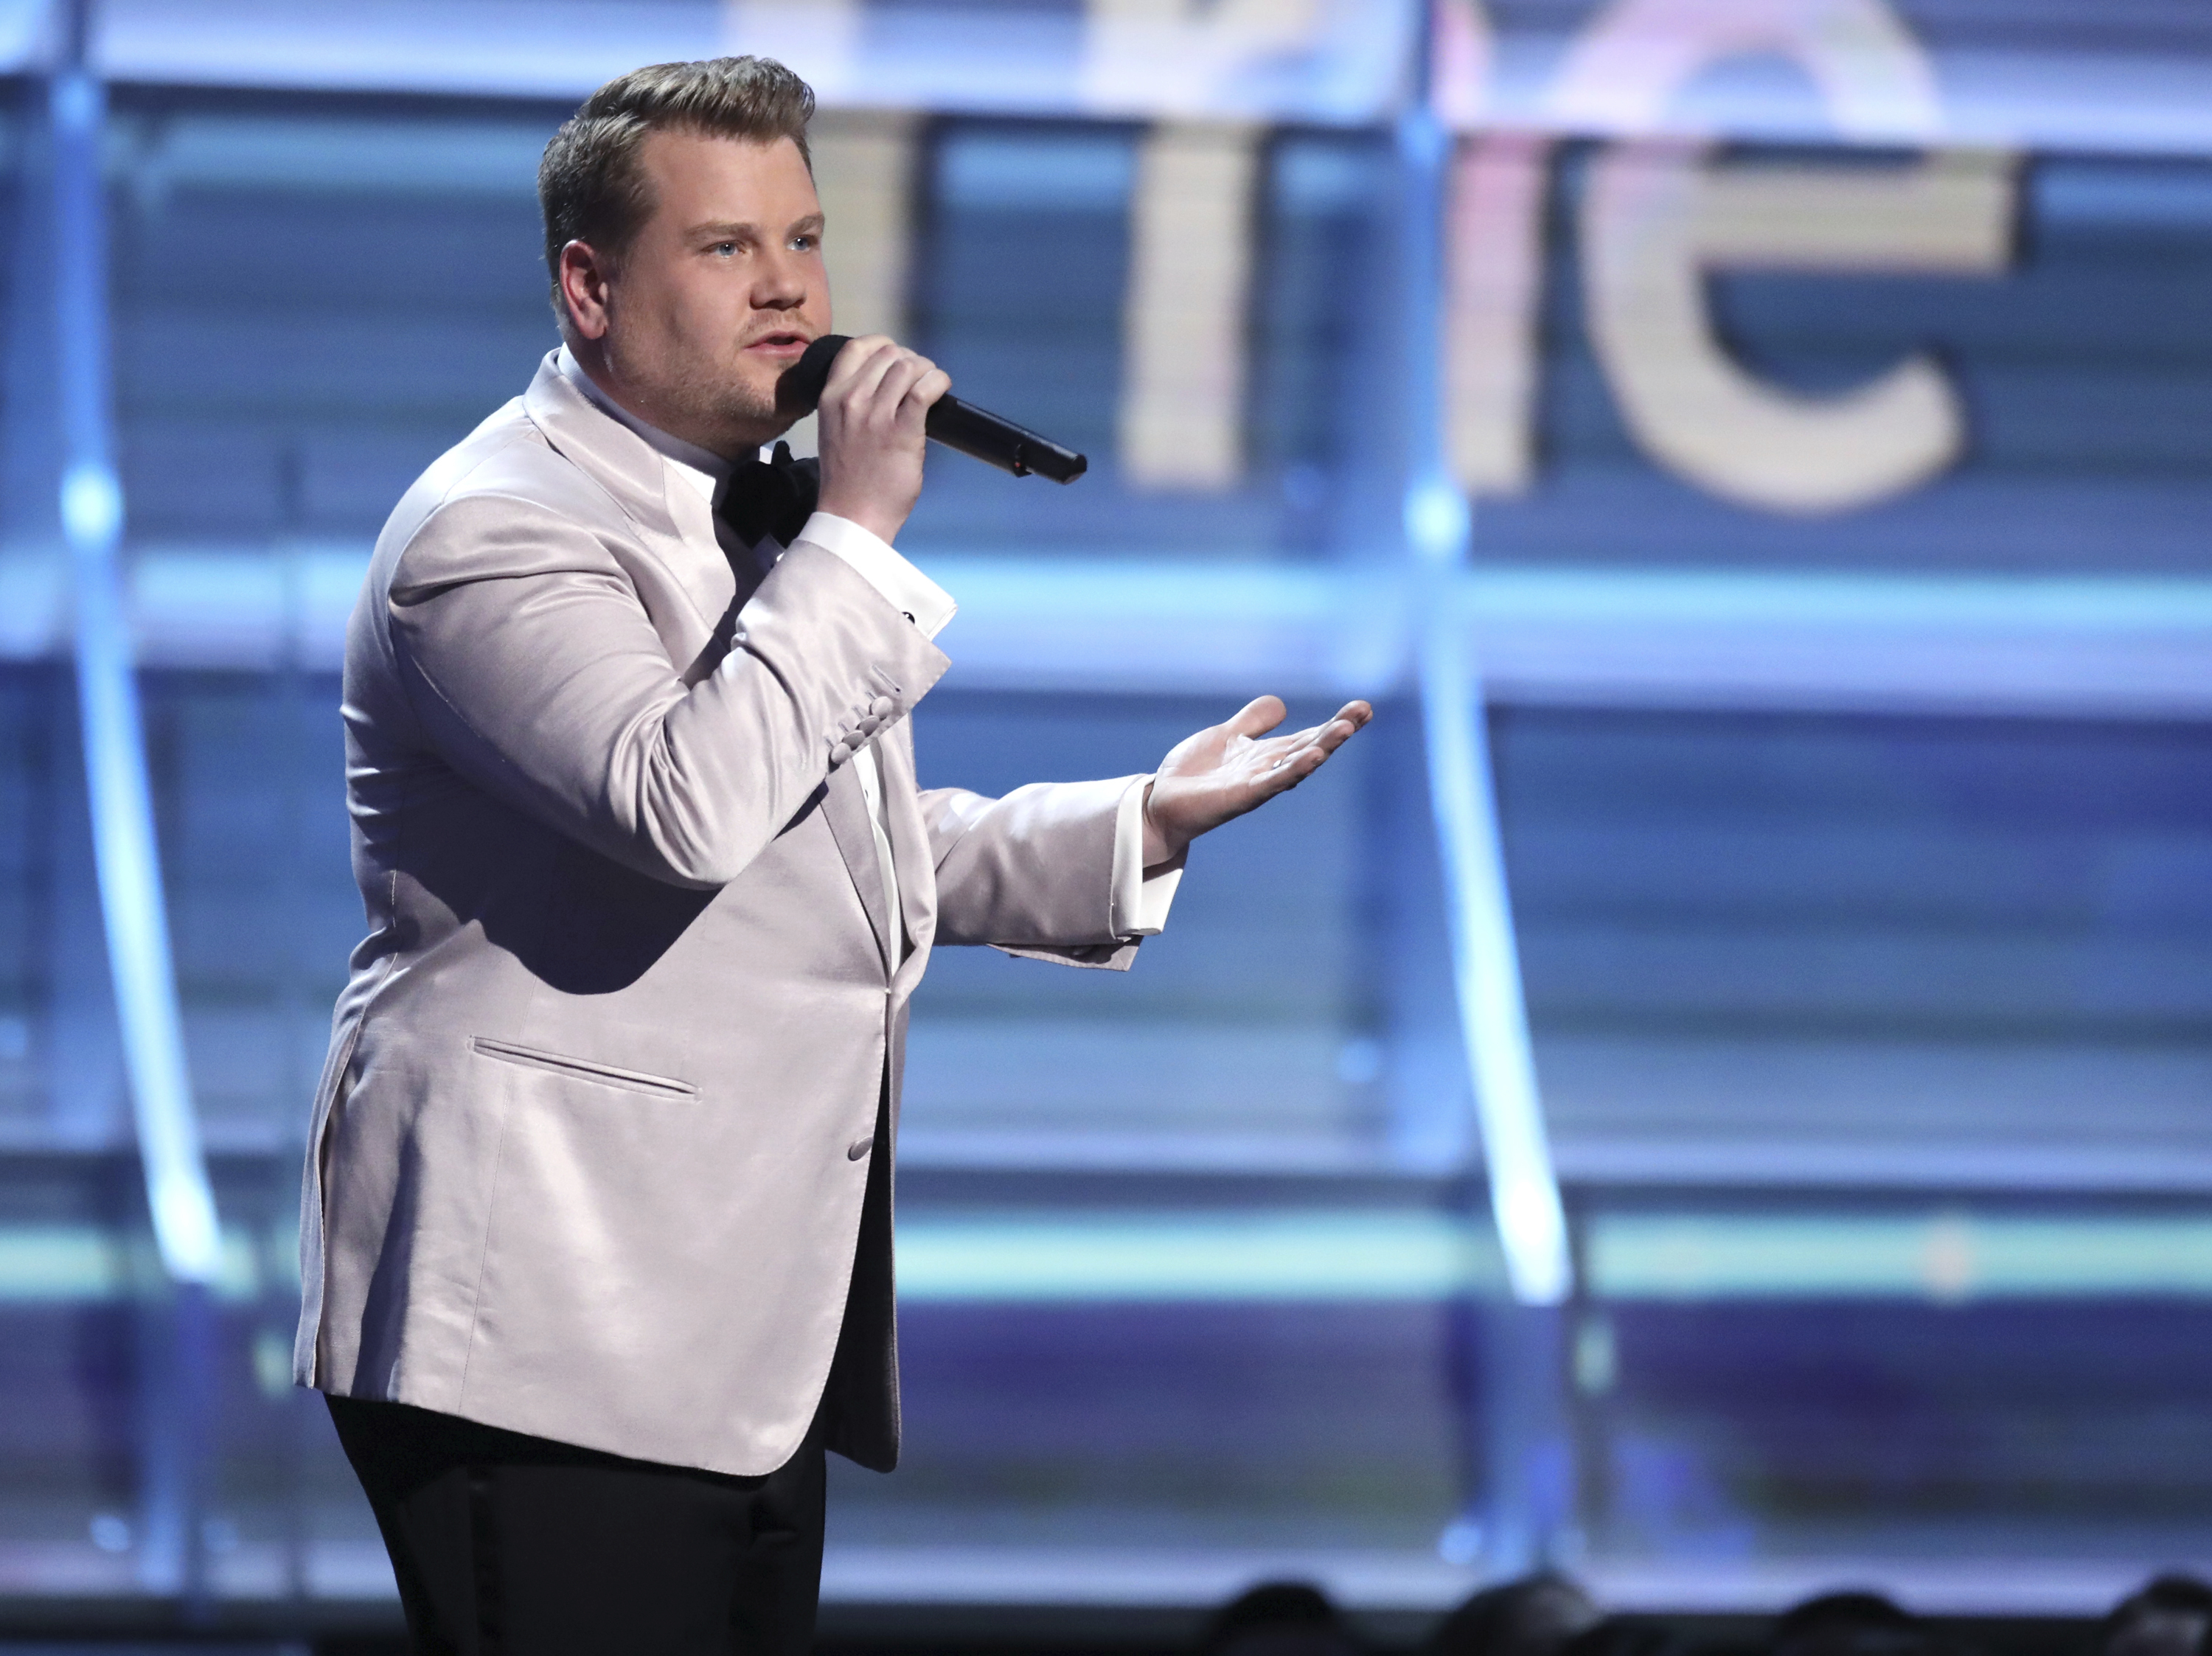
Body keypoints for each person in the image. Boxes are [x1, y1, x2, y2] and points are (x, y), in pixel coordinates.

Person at [293, 55, 1371, 1655]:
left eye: (804, 241)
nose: (790, 290)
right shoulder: (495, 536)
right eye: (728, 248)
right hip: (551, 1322)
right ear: (589, 286)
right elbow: (689, 808)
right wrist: (855, 540)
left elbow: (828, 851)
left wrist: (1135, 819)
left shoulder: (745, 519)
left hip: (733, 1323)